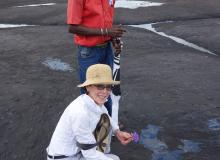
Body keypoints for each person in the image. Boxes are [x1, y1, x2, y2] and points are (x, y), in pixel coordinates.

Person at [46, 64, 133, 160]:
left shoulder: (92, 101)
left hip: (76, 152)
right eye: (100, 86)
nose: (105, 91)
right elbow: (90, 154)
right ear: (88, 87)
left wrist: (117, 132)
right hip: (64, 158)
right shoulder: (80, 113)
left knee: (114, 157)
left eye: (108, 87)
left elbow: (106, 115)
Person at [67, 0, 125, 118]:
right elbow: (73, 27)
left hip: (106, 48)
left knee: (107, 87)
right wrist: (106, 32)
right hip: (88, 51)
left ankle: (107, 121)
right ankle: (91, 125)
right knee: (90, 91)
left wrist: (112, 38)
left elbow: (106, 21)